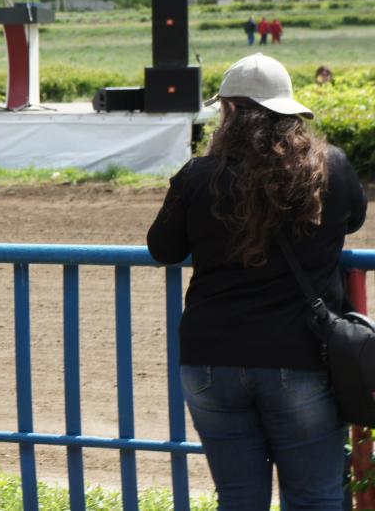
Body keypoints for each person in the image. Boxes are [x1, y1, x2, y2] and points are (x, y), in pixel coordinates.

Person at [147, 53, 367, 509]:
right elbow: (352, 221)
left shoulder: (197, 175)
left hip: (211, 361)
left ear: (227, 113)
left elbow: (162, 249)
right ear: (290, 112)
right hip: (301, 357)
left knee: (240, 498)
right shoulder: (331, 167)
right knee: (314, 496)